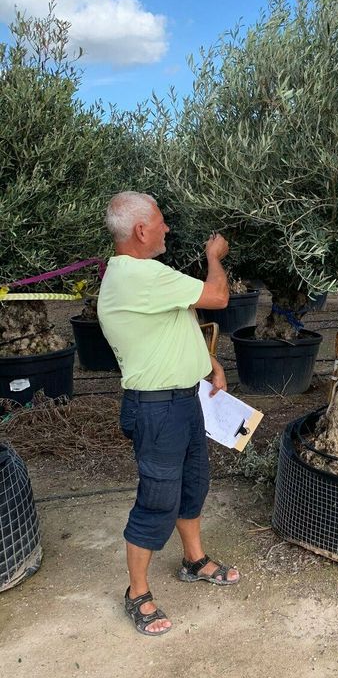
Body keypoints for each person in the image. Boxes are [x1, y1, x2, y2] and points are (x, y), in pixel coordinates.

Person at [98, 191, 239, 636]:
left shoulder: (145, 278)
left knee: (194, 482)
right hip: (156, 409)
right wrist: (214, 256)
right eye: (160, 222)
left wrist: (210, 363)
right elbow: (216, 295)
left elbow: (181, 320)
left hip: (184, 399)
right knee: (157, 500)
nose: (166, 229)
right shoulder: (138, 276)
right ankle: (137, 592)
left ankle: (194, 560)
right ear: (141, 230)